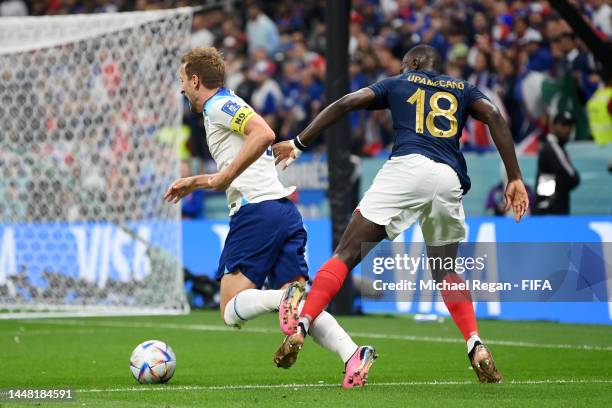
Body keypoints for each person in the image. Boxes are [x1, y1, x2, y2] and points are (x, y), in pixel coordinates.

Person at [273, 45, 530, 384]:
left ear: (412, 64)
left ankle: (302, 326)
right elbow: (495, 116)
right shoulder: (463, 88)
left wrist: (299, 143)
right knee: (446, 270)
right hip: (449, 178)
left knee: (347, 252)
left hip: (407, 167)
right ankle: (475, 344)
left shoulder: (398, 82)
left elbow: (347, 102)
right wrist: (514, 176)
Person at [164, 47, 374, 388]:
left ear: (196, 79)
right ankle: (352, 354)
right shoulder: (227, 104)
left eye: (183, 81)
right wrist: (199, 181)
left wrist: (220, 178)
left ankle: (281, 298)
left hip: (256, 212)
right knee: (304, 306)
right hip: (283, 212)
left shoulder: (218, 105)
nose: (181, 88)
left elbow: (263, 133)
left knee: (230, 309)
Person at [534, 111, 581, 215]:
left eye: (570, 126)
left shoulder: (556, 147)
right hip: (550, 210)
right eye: (564, 125)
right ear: (553, 127)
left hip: (549, 207)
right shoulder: (552, 147)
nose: (568, 129)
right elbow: (572, 177)